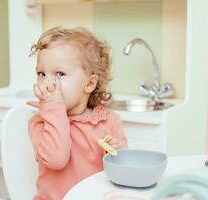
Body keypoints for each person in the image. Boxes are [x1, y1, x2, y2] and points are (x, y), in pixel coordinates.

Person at [27, 26, 128, 200]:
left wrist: (117, 153)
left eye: (60, 73)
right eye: (41, 74)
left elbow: (121, 172)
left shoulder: (109, 121)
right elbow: (56, 160)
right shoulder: (40, 122)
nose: (48, 83)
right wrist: (54, 108)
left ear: (89, 84)